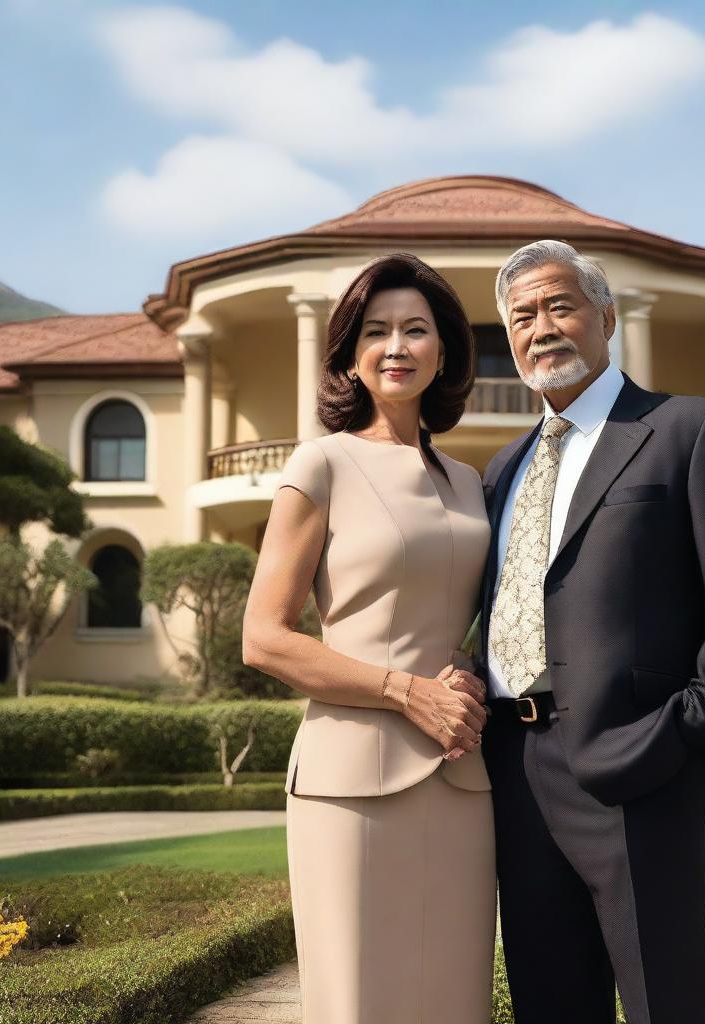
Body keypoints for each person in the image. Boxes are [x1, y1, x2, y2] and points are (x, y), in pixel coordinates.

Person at [476, 239, 705, 1024]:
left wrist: (688, 733)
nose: (541, 327)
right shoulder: (499, 472)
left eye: (560, 305)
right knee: (550, 1002)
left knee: (665, 1003)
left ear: (605, 316)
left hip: (642, 767)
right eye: (521, 317)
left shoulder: (688, 431)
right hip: (515, 770)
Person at [242, 253, 496, 1024]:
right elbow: (264, 638)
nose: (397, 346)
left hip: (462, 775)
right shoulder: (320, 463)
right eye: (378, 331)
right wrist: (405, 691)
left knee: (457, 999)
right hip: (348, 779)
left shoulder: (470, 482)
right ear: (351, 355)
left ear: (443, 351)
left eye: (416, 330)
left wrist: (469, 675)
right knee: (358, 1000)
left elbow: (466, 613)